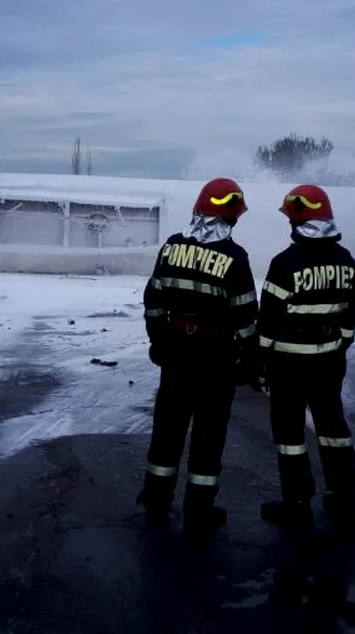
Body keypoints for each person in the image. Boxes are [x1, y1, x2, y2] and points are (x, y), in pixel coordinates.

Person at [137, 177, 259, 538]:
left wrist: (159, 342)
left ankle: (156, 500)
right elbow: (246, 319)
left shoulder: (172, 247)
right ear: (231, 217)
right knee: (208, 435)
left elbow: (153, 301)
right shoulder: (235, 258)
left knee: (167, 429)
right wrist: (250, 362)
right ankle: (199, 511)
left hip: (176, 353)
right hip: (216, 358)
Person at [257, 184, 355, 533]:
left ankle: (297, 504)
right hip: (329, 362)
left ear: (297, 222)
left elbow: (268, 322)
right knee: (333, 427)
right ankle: (343, 496)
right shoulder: (348, 262)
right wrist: (339, 346)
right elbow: (350, 317)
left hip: (288, 363)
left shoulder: (284, 264)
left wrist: (262, 364)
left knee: (290, 434)